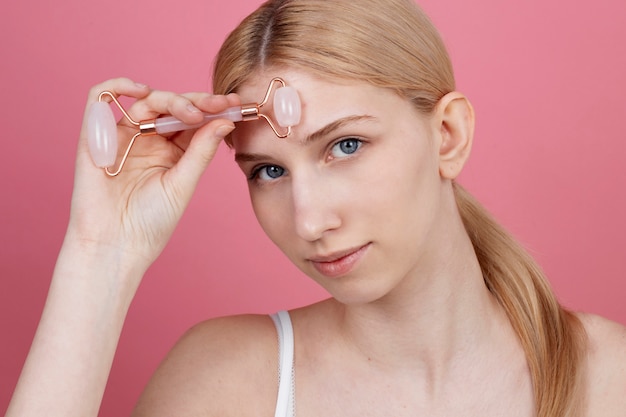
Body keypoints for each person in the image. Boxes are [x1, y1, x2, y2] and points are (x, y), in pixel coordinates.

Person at [6, 0, 626, 416]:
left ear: (448, 135)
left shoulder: (609, 378)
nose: (309, 221)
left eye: (344, 145)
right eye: (269, 171)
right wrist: (99, 255)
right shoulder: (228, 384)